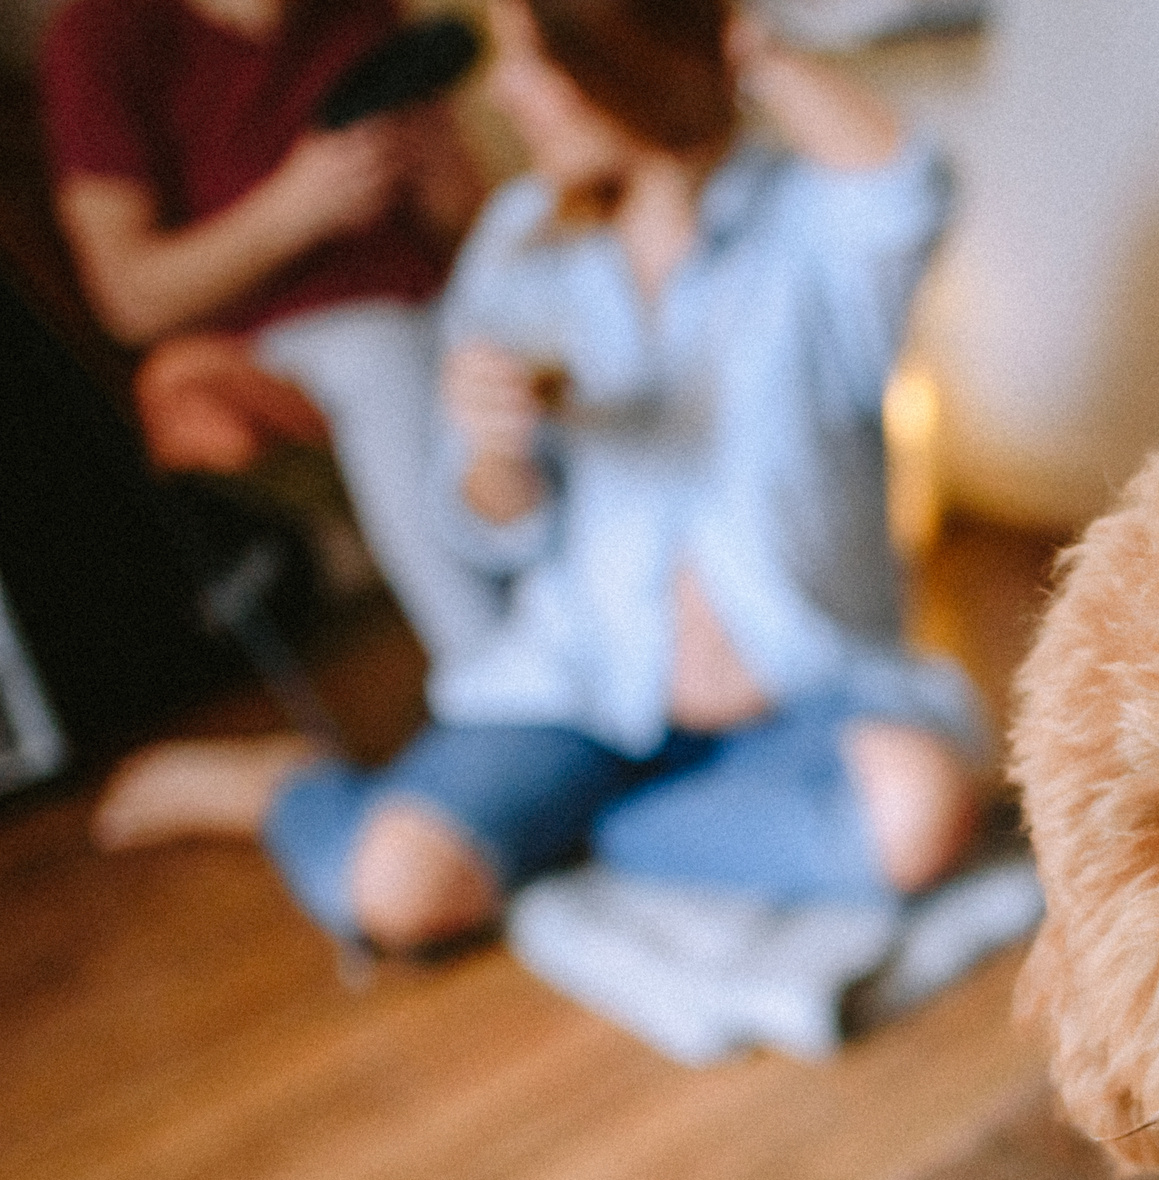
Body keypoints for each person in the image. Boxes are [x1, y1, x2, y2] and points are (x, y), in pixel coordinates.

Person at [97, 0, 983, 958]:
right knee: (397, 889)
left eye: (532, 64)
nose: (505, 95)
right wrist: (496, 453)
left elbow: (908, 184)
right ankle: (288, 786)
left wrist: (740, 39)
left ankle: (588, 835)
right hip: (578, 699)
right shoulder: (523, 244)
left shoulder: (805, 221)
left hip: (802, 699)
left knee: (917, 813)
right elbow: (487, 525)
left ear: (620, 56)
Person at [40, 0, 497, 664]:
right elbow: (128, 299)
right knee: (384, 355)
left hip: (439, 299)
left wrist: (434, 168)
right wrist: (295, 209)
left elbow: (469, 224)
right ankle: (487, 665)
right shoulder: (102, 35)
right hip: (285, 336)